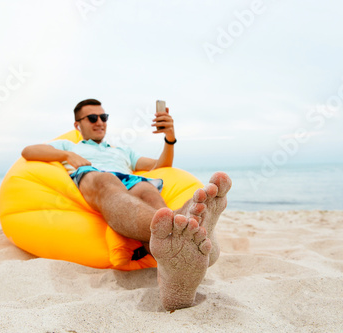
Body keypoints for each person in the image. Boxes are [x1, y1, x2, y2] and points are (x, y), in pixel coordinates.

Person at [21, 99, 232, 311]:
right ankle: (181, 226)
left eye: (104, 117)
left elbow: (161, 167)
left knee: (148, 189)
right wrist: (67, 155)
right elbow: (28, 151)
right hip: (94, 177)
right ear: (77, 125)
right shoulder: (70, 146)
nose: (99, 122)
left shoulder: (122, 150)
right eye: (92, 118)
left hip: (130, 181)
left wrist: (169, 138)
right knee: (107, 182)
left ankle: (176, 268)